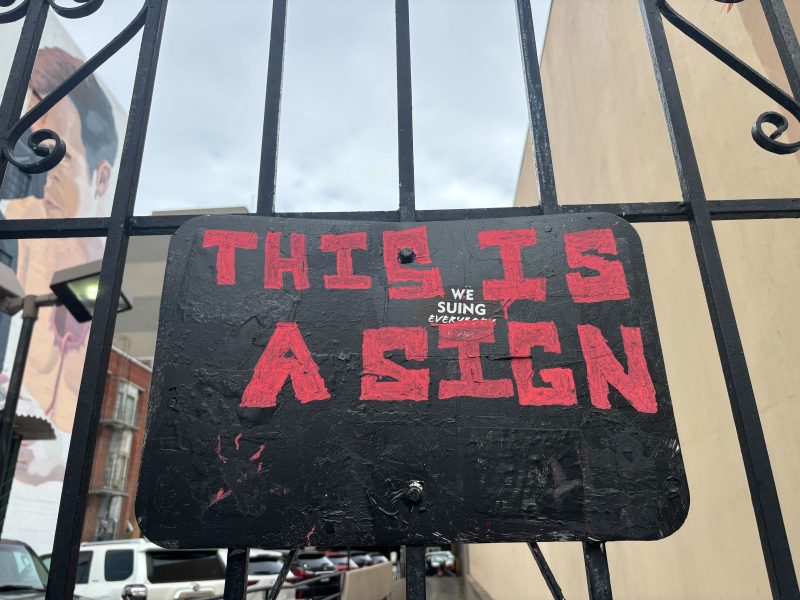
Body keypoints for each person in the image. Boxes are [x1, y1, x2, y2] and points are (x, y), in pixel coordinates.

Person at [0, 46, 119, 484]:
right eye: (35, 149)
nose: (44, 172)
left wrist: (58, 457)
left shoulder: (93, 275)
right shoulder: (13, 228)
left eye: (59, 156)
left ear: (101, 177)